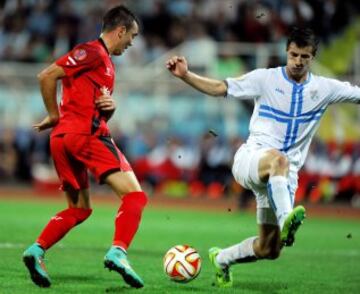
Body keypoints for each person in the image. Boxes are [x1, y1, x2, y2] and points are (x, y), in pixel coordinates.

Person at [166, 27, 360, 287]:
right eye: (293, 55)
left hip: (282, 178)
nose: (298, 61)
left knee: (269, 249)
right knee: (279, 160)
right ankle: (286, 218)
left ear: (313, 57)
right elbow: (221, 88)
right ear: (286, 52)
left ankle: (222, 259)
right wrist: (186, 75)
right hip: (252, 158)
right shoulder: (265, 79)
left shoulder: (325, 88)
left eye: (304, 56)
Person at [23, 5, 147, 289]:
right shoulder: (92, 52)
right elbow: (46, 75)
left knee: (79, 209)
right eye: (133, 35)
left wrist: (109, 110)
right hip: (83, 134)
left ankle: (36, 250)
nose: (132, 43)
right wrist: (53, 114)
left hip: (63, 140)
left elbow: (93, 105)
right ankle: (119, 251)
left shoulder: (103, 62)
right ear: (120, 30)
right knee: (135, 197)